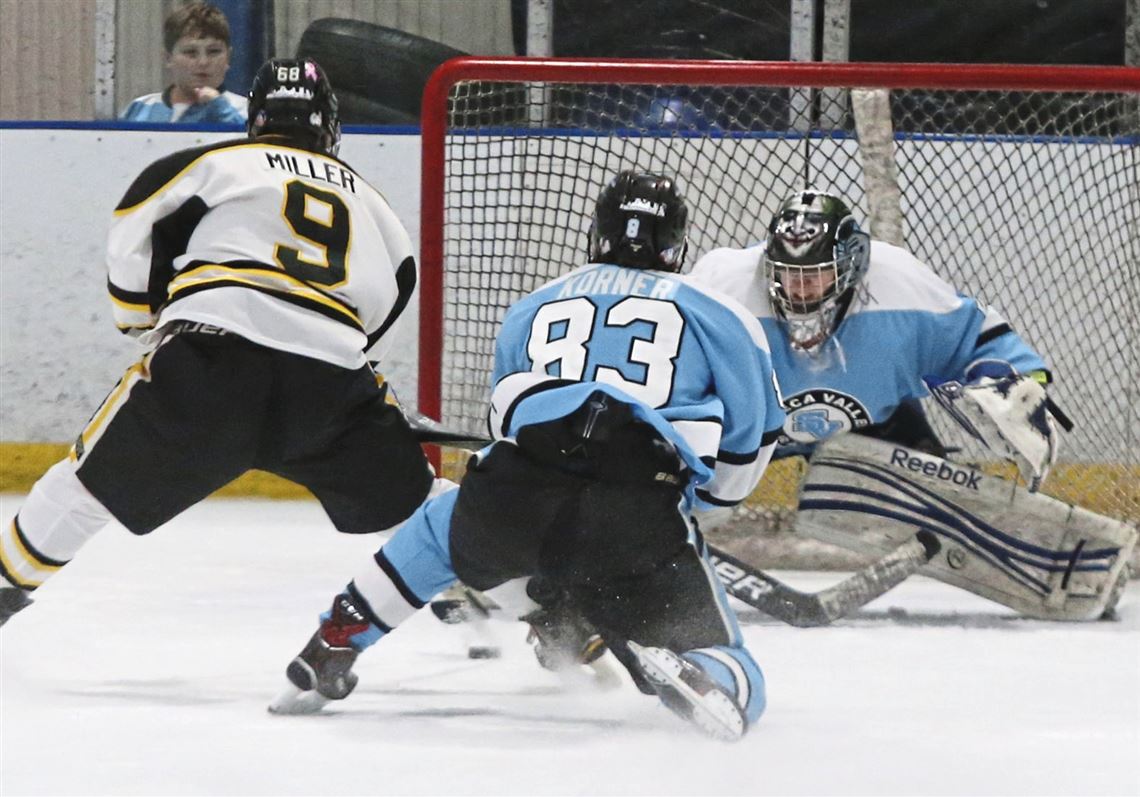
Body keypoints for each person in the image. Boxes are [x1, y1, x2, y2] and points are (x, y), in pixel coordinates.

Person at [269, 171, 787, 741]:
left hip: (516, 491)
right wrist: (707, 501)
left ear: (597, 234)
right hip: (633, 513)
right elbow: (754, 434)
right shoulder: (721, 314)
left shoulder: (534, 306)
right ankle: (704, 668)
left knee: (445, 523)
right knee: (726, 651)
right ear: (677, 245)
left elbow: (502, 427)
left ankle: (339, 637)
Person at [0, 58, 434, 628]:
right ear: (329, 123)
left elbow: (138, 217)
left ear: (256, 116)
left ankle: (4, 589)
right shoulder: (375, 204)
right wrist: (344, 360)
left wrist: (142, 316)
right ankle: (523, 608)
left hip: (210, 358)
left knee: (84, 487)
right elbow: (396, 292)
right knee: (420, 506)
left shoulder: (211, 162)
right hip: (328, 380)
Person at [688, 188, 1059, 487]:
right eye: (788, 274)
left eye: (815, 274)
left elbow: (975, 337)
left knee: (934, 490)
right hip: (750, 429)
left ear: (851, 265)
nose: (799, 289)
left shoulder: (898, 282)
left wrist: (1020, 385)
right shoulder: (724, 286)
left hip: (874, 426)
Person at [120, 2, 247, 124]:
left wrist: (221, 110)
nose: (203, 62)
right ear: (168, 58)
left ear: (228, 57)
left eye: (213, 52)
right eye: (190, 52)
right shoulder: (140, 109)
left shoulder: (246, 111)